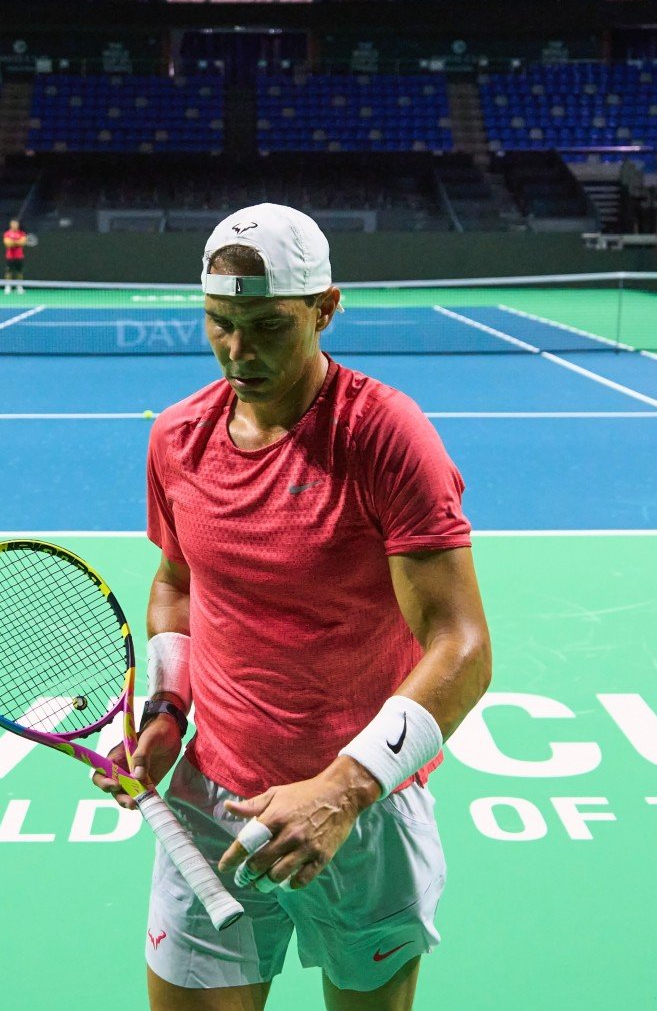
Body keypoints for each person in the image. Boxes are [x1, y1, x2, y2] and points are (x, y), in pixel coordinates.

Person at [91, 203, 491, 1011]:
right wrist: (169, 709)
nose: (238, 352)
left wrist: (344, 788)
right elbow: (178, 582)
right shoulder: (176, 439)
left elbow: (463, 645)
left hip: (364, 808)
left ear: (325, 308)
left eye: (269, 326)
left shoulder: (386, 436)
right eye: (218, 323)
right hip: (214, 800)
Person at [3, 218, 29, 294]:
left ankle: (19, 287)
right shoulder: (7, 233)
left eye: (16, 224)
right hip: (9, 256)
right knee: (8, 272)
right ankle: (8, 287)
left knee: (19, 272)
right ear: (10, 225)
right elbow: (7, 243)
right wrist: (17, 242)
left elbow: (23, 242)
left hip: (19, 256)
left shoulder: (22, 233)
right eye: (13, 223)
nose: (14, 225)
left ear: (18, 225)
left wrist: (13, 242)